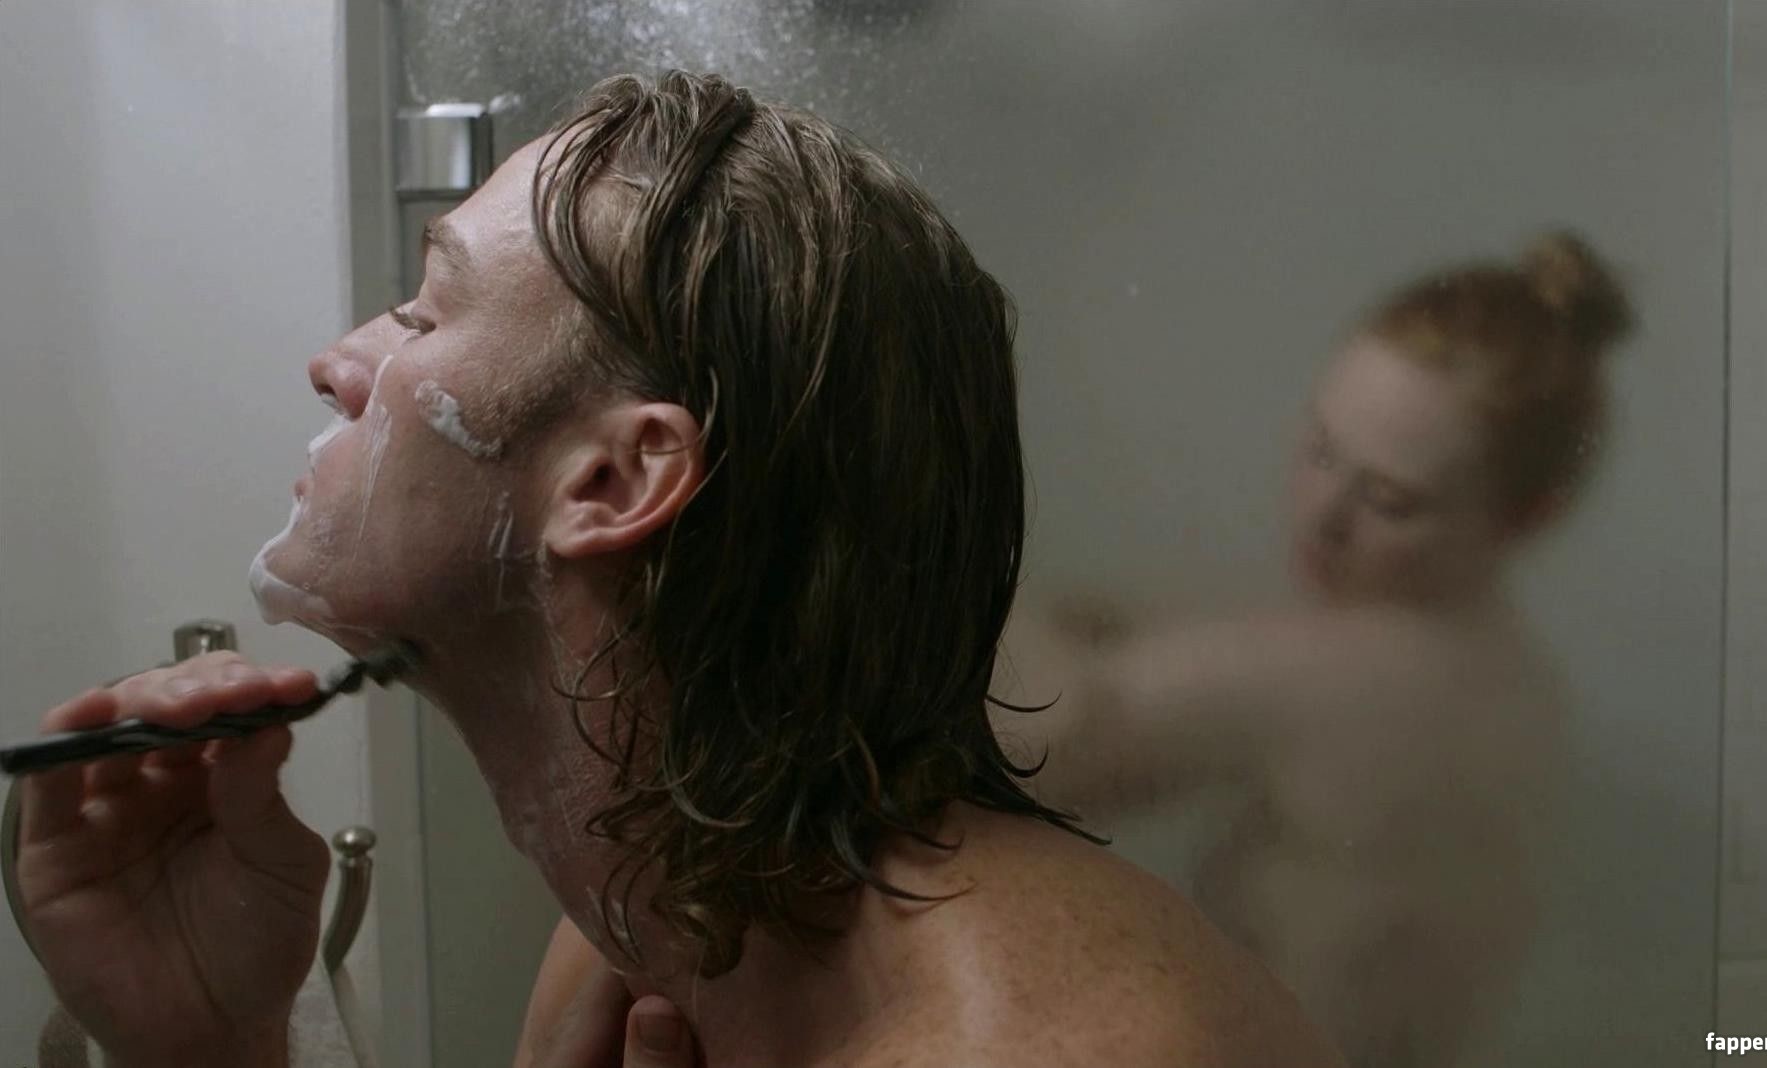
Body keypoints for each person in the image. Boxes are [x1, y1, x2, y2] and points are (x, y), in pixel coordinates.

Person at [12, 71, 1342, 1068]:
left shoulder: (1028, 1046)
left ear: (614, 481)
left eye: (424, 311)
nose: (338, 363)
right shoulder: (642, 936)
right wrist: (214, 1044)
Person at [994, 232, 1633, 1067]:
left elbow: (1030, 742)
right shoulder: (1512, 673)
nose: (1323, 515)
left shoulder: (1357, 672)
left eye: (1390, 498)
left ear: (1527, 518)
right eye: (1322, 448)